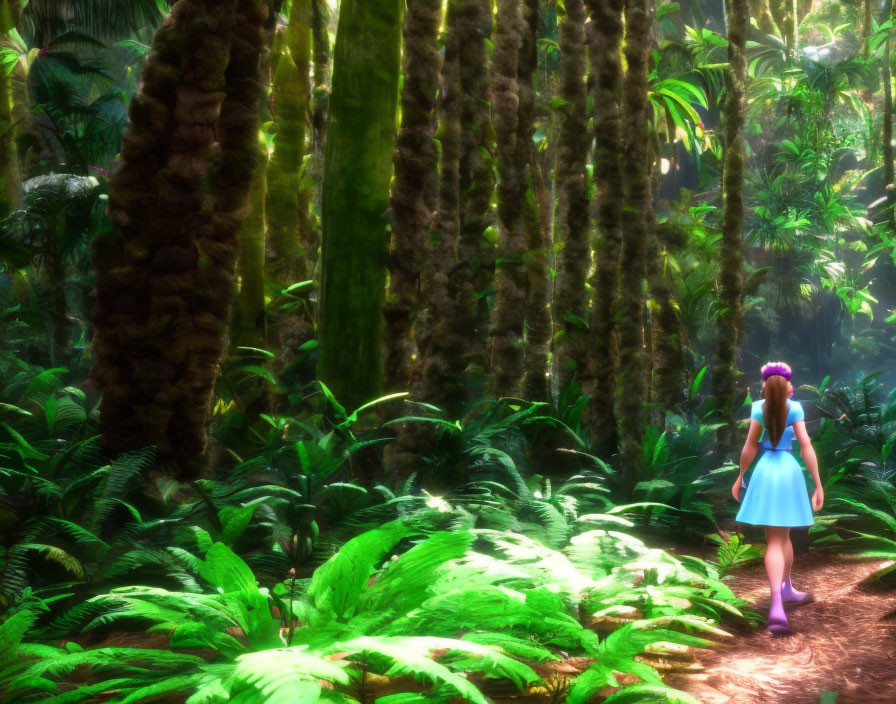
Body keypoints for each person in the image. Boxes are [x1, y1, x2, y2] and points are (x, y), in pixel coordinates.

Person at [731, 361, 824, 634]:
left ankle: (786, 590)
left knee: (781, 537)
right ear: (787, 385)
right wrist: (817, 484)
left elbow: (750, 445)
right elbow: (806, 446)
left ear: (764, 386)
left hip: (765, 472)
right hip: (787, 471)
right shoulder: (794, 407)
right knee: (778, 539)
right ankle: (776, 606)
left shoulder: (757, 408)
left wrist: (741, 475)